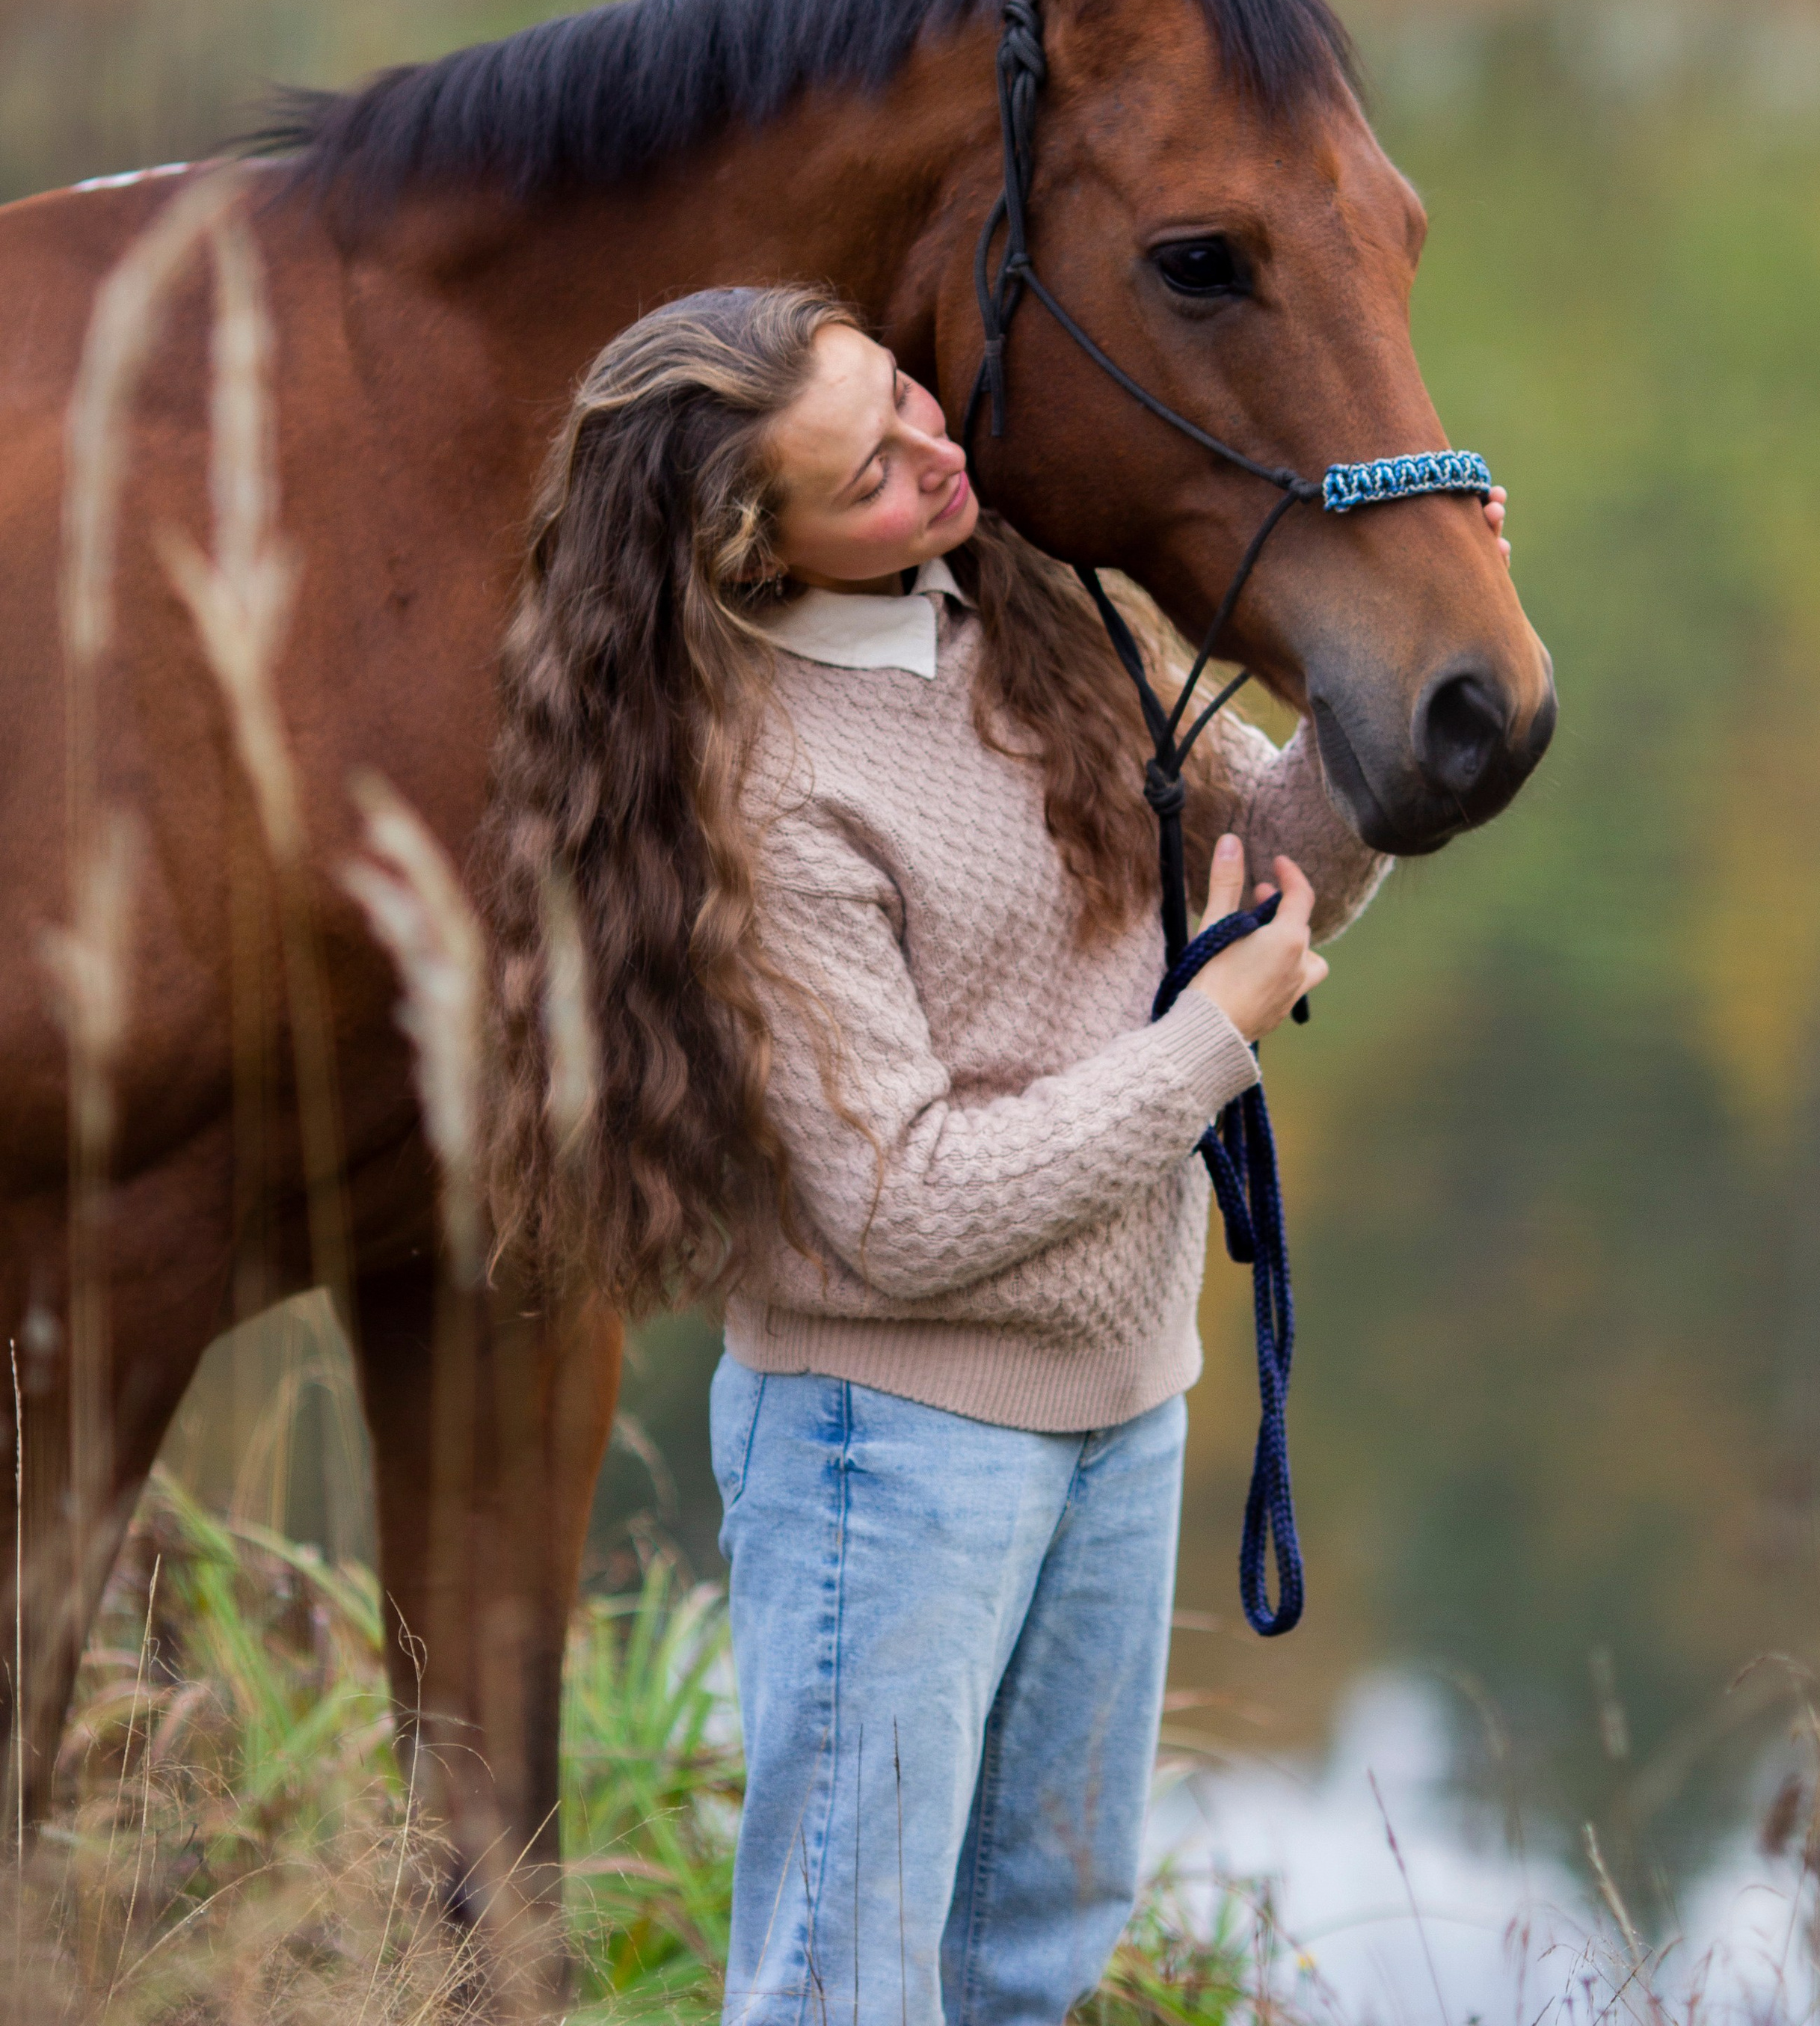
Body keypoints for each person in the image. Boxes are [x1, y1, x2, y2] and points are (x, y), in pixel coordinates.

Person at [481, 282, 1510, 2025]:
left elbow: (1265, 864)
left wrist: (1403, 647)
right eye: (867, 473)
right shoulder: (762, 784)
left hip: (1120, 1404)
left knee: (1037, 1949)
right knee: (843, 1981)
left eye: (903, 400)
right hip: (888, 1448)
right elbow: (900, 1208)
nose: (933, 460)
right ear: (752, 553)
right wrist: (1210, 1042)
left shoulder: (1040, 607)